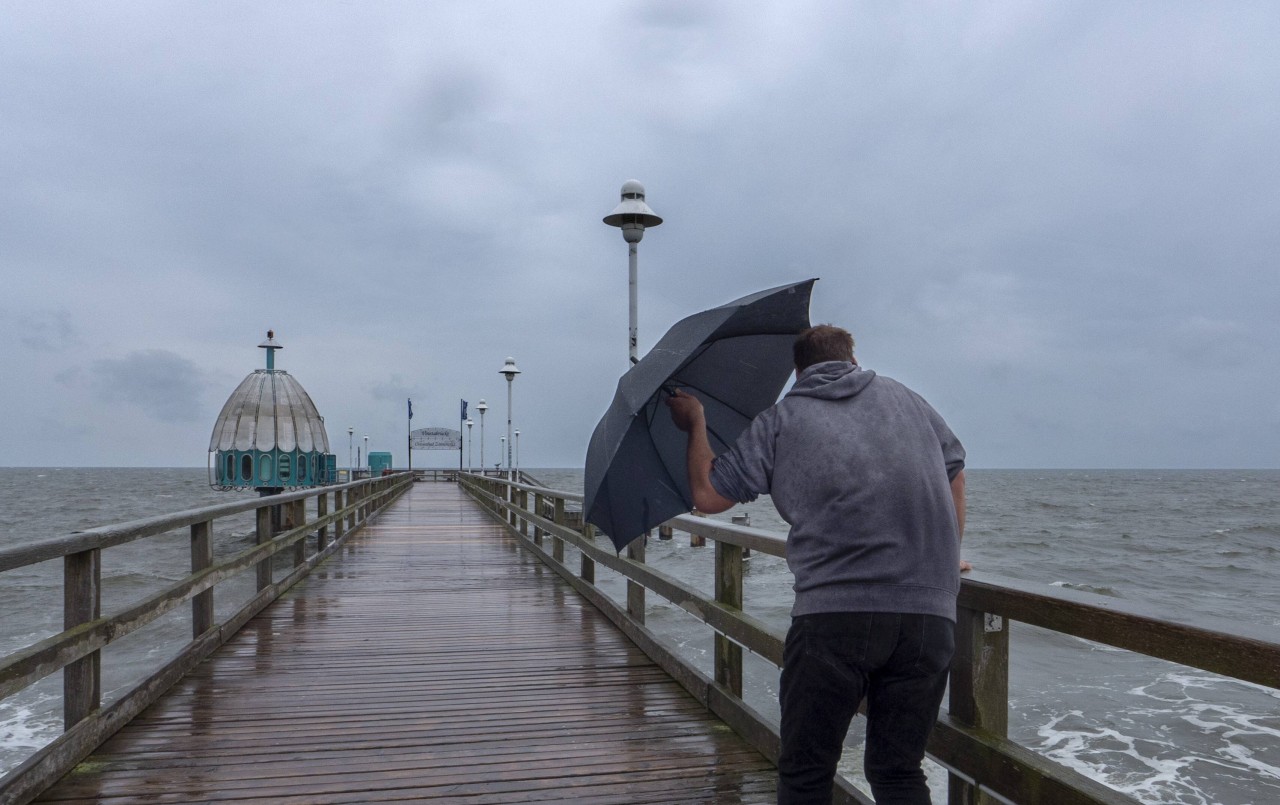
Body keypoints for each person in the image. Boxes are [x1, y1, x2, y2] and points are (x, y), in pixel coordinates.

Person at [666, 324, 967, 805]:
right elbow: (954, 469)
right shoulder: (911, 401)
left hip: (836, 615)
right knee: (898, 771)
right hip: (929, 613)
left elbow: (707, 495)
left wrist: (695, 422)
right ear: (853, 360)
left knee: (807, 773)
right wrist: (947, 556)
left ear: (798, 370)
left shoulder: (782, 418)